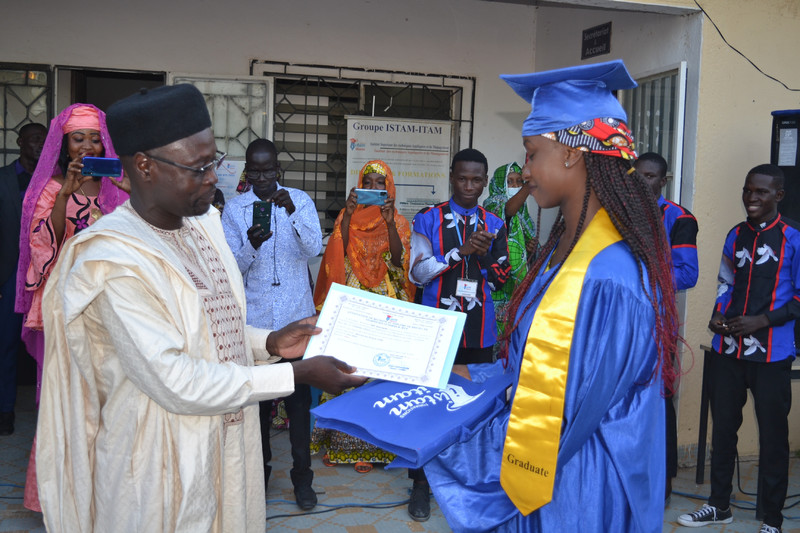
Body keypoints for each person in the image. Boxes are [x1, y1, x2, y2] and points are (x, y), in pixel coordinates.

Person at [36, 83, 365, 533]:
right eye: (199, 167)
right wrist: (297, 375)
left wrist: (268, 341)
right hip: (156, 462)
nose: (214, 177)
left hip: (226, 443)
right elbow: (175, 378)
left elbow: (205, 326)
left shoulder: (203, 226)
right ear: (145, 167)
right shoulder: (110, 260)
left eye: (216, 162)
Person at [422, 59, 680, 532]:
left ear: (571, 153)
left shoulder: (609, 276)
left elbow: (563, 414)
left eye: (531, 154)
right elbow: (538, 365)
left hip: (580, 482)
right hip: (553, 473)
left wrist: (443, 431)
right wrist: (451, 373)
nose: (524, 171)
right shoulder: (567, 249)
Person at [15, 104, 128, 512]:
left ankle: (102, 497)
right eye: (78, 139)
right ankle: (55, 498)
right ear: (64, 145)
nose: (87, 146)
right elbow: (44, 245)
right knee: (63, 398)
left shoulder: (117, 187)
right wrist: (66, 194)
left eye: (94, 138)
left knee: (107, 399)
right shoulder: (51, 188)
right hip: (66, 305)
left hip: (111, 304)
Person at [678, 164, 798, 533]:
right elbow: (725, 282)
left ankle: (773, 519)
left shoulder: (793, 238)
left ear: (778, 195)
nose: (751, 198)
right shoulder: (736, 235)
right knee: (724, 428)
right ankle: (719, 506)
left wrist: (763, 321)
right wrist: (717, 315)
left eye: (761, 192)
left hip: (772, 354)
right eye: (747, 190)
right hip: (728, 350)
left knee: (773, 436)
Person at [408, 148, 511, 521]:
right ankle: (420, 485)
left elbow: (502, 279)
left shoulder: (495, 222)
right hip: (435, 325)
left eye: (476, 180)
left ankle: (470, 479)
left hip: (478, 328)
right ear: (452, 177)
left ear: (485, 181)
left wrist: (482, 256)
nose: (469, 186)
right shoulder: (427, 219)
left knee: (474, 406)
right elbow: (417, 275)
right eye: (462, 178)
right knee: (428, 405)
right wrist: (459, 253)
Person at [221, 138, 323, 510]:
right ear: (248, 171)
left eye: (268, 170)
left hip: (296, 317)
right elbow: (232, 269)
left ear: (278, 170)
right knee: (259, 409)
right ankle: (259, 477)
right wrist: (251, 245)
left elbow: (314, 249)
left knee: (299, 406)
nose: (262, 178)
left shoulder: (301, 200)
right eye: (255, 170)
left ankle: (303, 480)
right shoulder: (235, 210)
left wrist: (293, 210)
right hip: (258, 326)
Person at [311, 160, 415, 474]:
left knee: (380, 371)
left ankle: (380, 447)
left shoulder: (398, 220)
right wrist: (346, 216)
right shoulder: (348, 215)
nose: (373, 189)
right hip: (352, 302)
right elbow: (337, 254)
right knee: (348, 369)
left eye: (379, 184)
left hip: (384, 301)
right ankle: (343, 445)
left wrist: (389, 222)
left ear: (389, 187)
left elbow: (399, 262)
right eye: (367, 183)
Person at [634, 151, 699, 505]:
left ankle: (665, 482)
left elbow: (688, 273)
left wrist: (637, 278)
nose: (643, 182)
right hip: (620, 321)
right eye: (638, 176)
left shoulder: (680, 219)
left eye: (650, 177)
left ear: (663, 179)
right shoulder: (617, 213)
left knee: (659, 397)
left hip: (656, 324)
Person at [0, 122, 47, 436]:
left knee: (48, 347)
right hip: (9, 275)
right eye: (32, 139)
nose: (38, 144)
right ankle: (5, 412)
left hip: (45, 277)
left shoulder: (54, 181)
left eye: (43, 139)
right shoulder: (3, 178)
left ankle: (47, 414)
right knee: (6, 346)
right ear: (19, 142)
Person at [483, 162, 537, 333]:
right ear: (499, 183)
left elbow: (526, 242)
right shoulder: (491, 204)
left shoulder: (523, 210)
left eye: (519, 181)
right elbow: (507, 211)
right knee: (494, 333)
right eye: (510, 182)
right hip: (496, 282)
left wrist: (531, 248)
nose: (515, 186)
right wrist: (529, 185)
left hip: (517, 285)